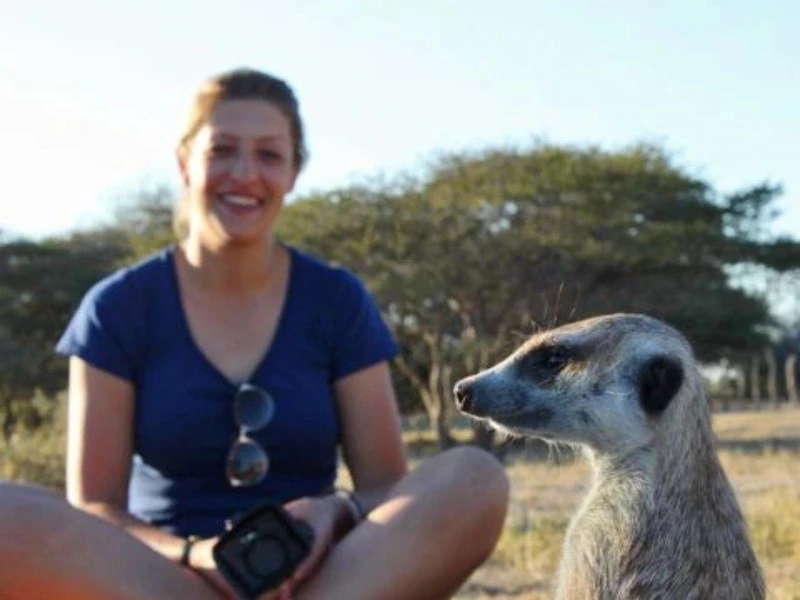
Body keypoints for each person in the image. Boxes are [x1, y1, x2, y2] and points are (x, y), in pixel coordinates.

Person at [54, 67, 509, 600]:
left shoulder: (337, 300)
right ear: (184, 163)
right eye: (222, 150)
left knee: (475, 477)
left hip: (320, 579)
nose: (244, 173)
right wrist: (195, 555)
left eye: (269, 155)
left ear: (294, 172)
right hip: (162, 578)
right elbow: (95, 509)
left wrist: (335, 511)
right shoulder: (117, 307)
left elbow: (384, 486)